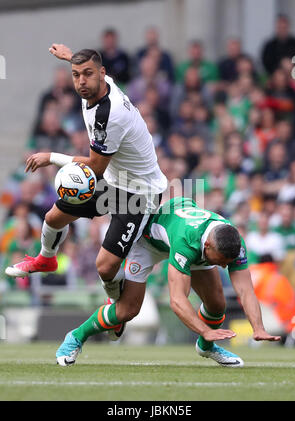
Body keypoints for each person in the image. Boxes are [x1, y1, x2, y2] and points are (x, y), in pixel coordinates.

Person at [5, 45, 167, 339]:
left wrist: (51, 157)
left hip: (139, 194)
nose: (81, 81)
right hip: (117, 179)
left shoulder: (110, 114)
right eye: (76, 75)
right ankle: (47, 258)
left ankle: (115, 305)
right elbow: (86, 65)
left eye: (88, 74)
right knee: (54, 216)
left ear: (102, 75)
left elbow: (95, 167)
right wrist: (71, 57)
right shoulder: (96, 87)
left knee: (104, 267)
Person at [55, 197, 280, 367]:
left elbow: (246, 290)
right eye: (220, 262)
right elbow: (177, 300)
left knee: (217, 305)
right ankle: (76, 336)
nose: (223, 267)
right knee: (127, 310)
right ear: (209, 247)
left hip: (183, 225)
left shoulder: (233, 242)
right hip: (149, 242)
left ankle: (206, 348)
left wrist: (258, 328)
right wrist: (205, 330)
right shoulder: (187, 243)